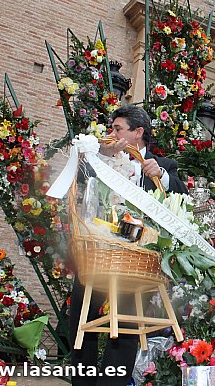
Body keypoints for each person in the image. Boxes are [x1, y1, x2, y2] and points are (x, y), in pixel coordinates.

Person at [69, 104, 187, 386]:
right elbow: (81, 186)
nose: (112, 133)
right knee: (81, 315)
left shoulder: (164, 165)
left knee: (127, 324)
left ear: (138, 133)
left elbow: (184, 198)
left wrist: (162, 175)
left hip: (138, 258)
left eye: (118, 128)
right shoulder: (103, 158)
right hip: (100, 251)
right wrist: (102, 158)